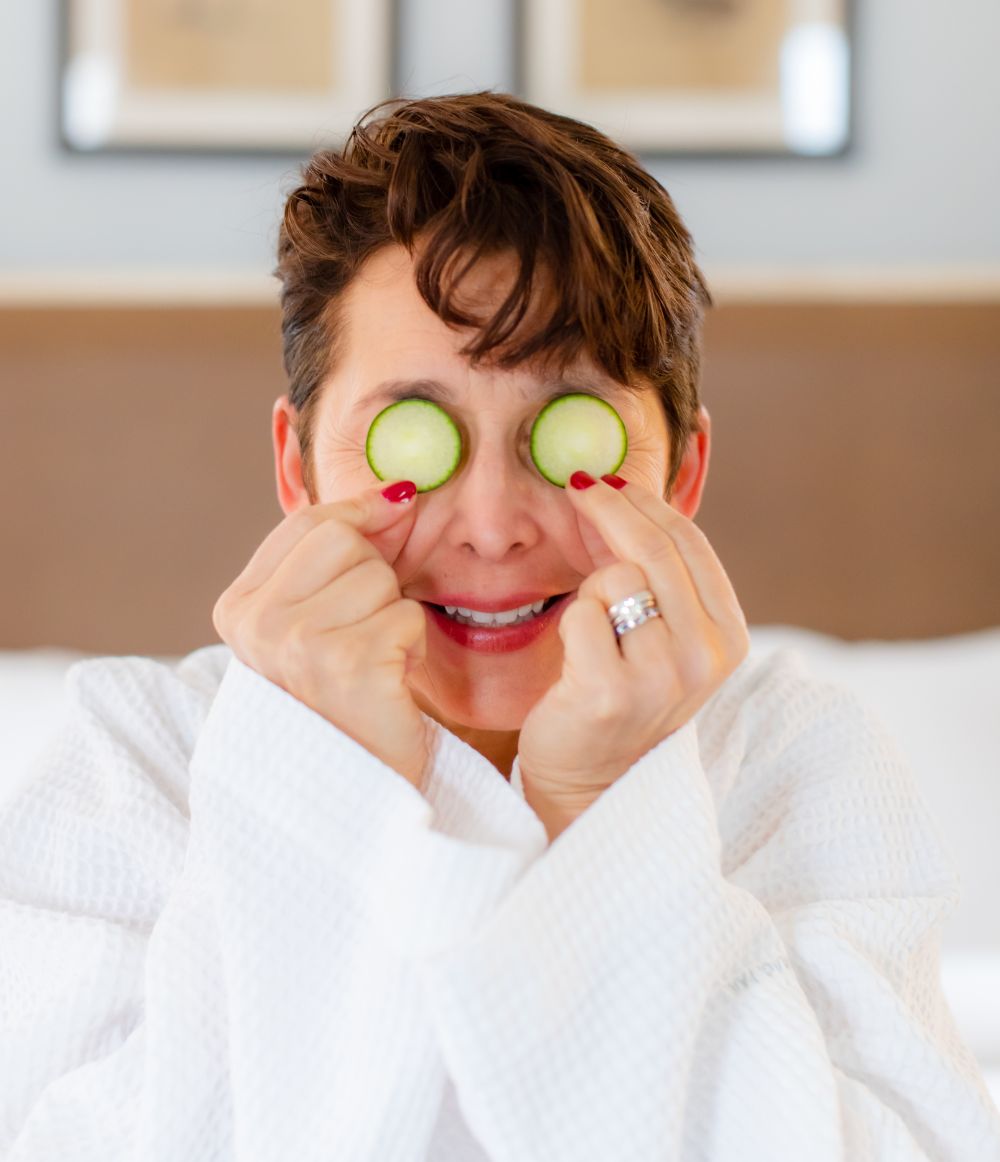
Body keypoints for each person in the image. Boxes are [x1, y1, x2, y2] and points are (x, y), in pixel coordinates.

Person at [2, 90, 998, 1162]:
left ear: (684, 472)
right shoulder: (133, 761)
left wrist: (599, 811)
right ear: (296, 467)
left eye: (565, 439)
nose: (490, 528)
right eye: (411, 435)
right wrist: (333, 786)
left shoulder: (801, 761)